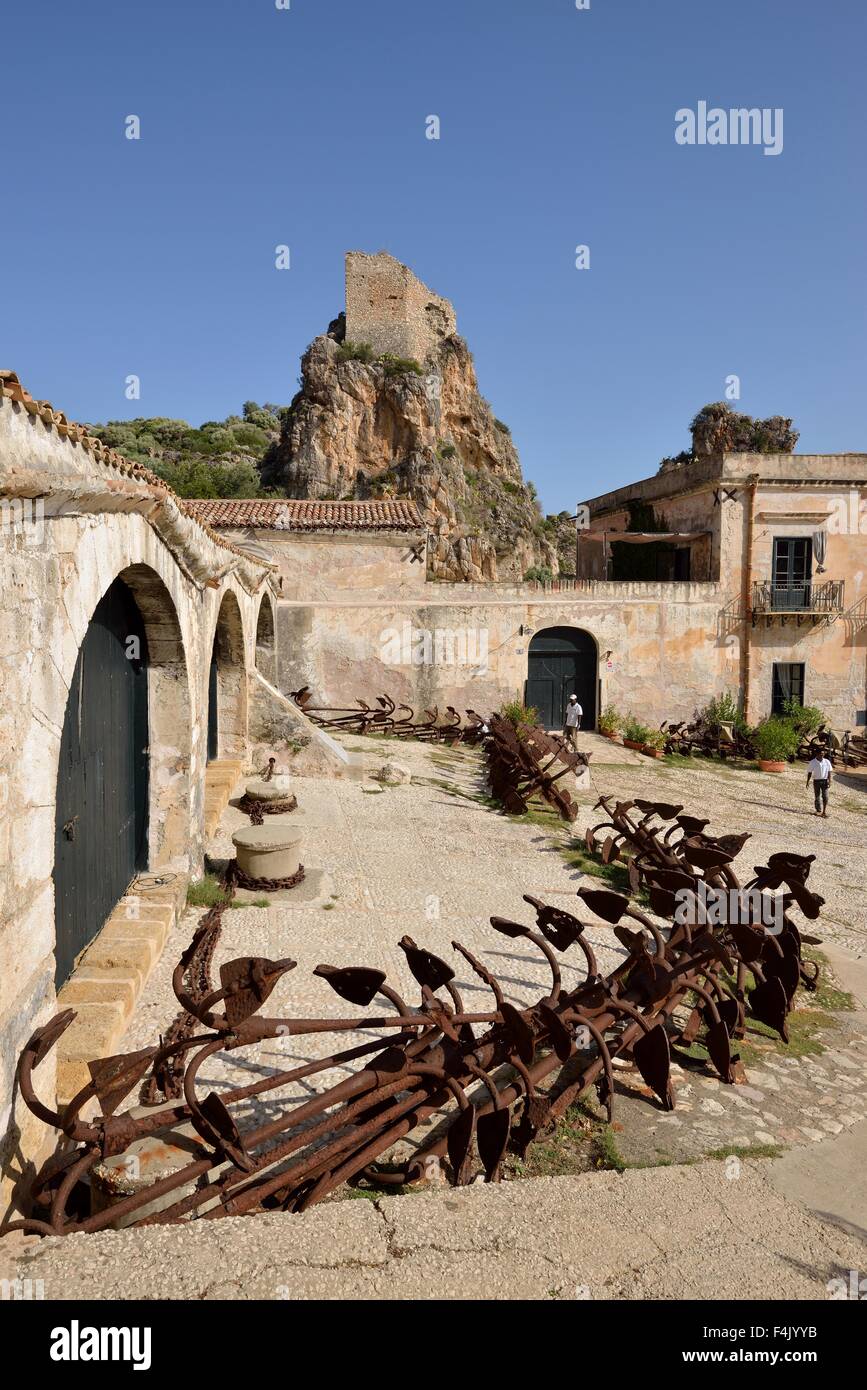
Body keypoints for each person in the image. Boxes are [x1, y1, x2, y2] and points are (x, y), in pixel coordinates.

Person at [806, 751, 833, 817]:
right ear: (817, 754)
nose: (822, 755)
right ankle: (818, 810)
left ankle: (824, 811)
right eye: (820, 754)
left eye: (823, 754)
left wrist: (830, 780)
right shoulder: (812, 762)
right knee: (817, 797)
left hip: (825, 781)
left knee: (825, 797)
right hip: (816, 781)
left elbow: (829, 772)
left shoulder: (827, 762)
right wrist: (808, 781)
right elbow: (809, 772)